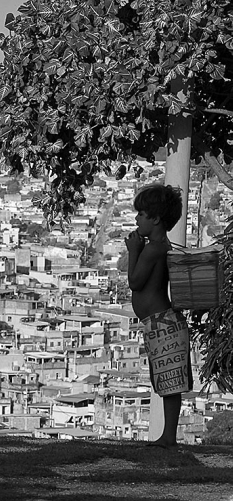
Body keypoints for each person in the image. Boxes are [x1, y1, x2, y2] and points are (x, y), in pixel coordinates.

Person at [125, 183, 189, 448]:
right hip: (160, 323)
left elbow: (135, 282)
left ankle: (168, 437)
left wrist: (133, 251)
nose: (136, 219)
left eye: (141, 214)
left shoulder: (153, 249)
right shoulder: (162, 245)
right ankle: (167, 436)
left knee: (169, 381)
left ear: (155, 219)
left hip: (162, 323)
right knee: (165, 379)